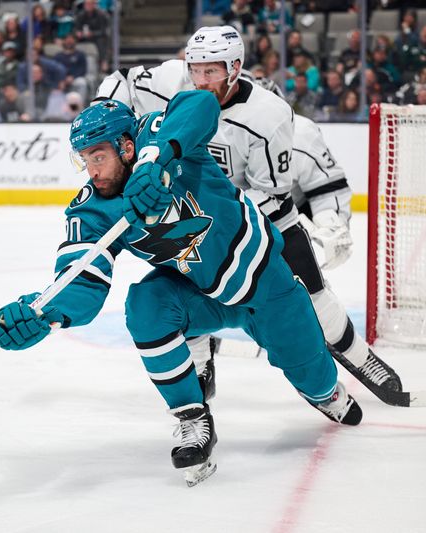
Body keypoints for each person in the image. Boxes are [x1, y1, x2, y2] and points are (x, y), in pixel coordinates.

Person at [0, 95, 362, 487]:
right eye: (84, 159)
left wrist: (155, 161)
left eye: (97, 156)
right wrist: (43, 312)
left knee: (315, 380)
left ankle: (324, 392)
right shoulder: (91, 211)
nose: (91, 170)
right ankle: (193, 418)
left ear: (126, 145)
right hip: (201, 296)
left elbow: (200, 104)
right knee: (145, 305)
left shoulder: (157, 134)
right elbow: (82, 283)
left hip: (268, 286)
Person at [93, 26, 403, 401]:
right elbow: (121, 81)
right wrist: (104, 117)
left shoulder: (269, 117)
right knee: (187, 288)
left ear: (235, 68)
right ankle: (200, 358)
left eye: (212, 72)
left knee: (313, 296)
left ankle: (357, 355)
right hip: (194, 216)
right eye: (196, 69)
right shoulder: (172, 79)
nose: (201, 80)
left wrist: (225, 209)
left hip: (262, 221)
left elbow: (273, 195)